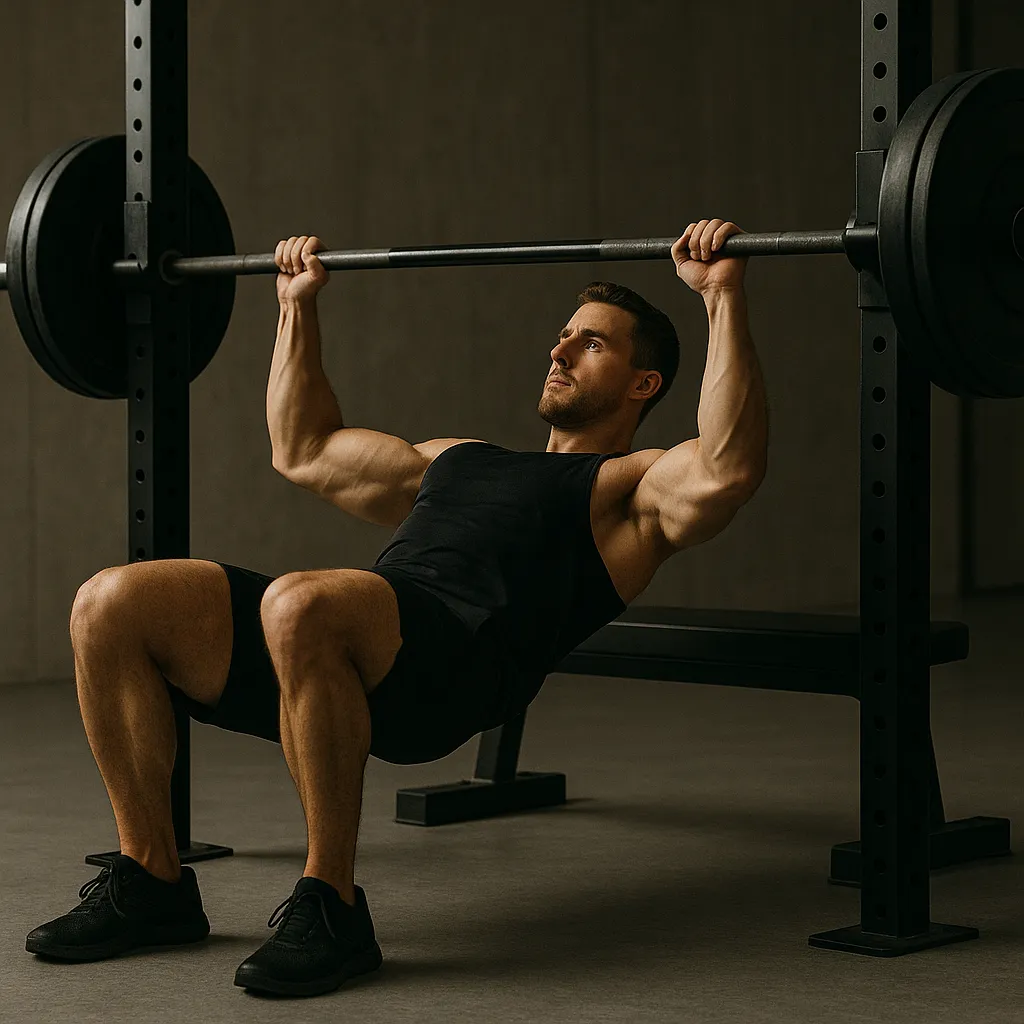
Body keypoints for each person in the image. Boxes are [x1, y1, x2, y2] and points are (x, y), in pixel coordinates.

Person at [26, 219, 768, 998]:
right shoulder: (456, 458)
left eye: (591, 344)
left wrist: (721, 296)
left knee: (300, 600)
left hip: (448, 675)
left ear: (643, 384)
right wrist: (296, 303)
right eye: (562, 337)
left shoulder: (629, 492)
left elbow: (727, 468)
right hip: (335, 645)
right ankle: (153, 881)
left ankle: (332, 906)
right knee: (110, 601)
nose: (559, 353)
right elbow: (303, 448)